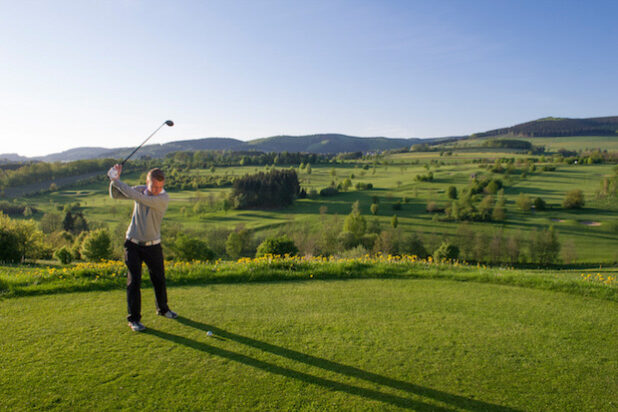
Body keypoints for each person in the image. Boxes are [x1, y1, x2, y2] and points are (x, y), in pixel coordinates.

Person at [108, 164, 177, 332]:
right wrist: (113, 180)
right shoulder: (140, 190)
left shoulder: (163, 198)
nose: (156, 189)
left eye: (160, 186)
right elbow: (115, 195)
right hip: (132, 244)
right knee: (134, 281)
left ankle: (163, 309)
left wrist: (116, 180)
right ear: (147, 182)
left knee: (159, 278)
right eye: (153, 186)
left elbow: (140, 198)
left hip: (153, 245)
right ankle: (134, 319)